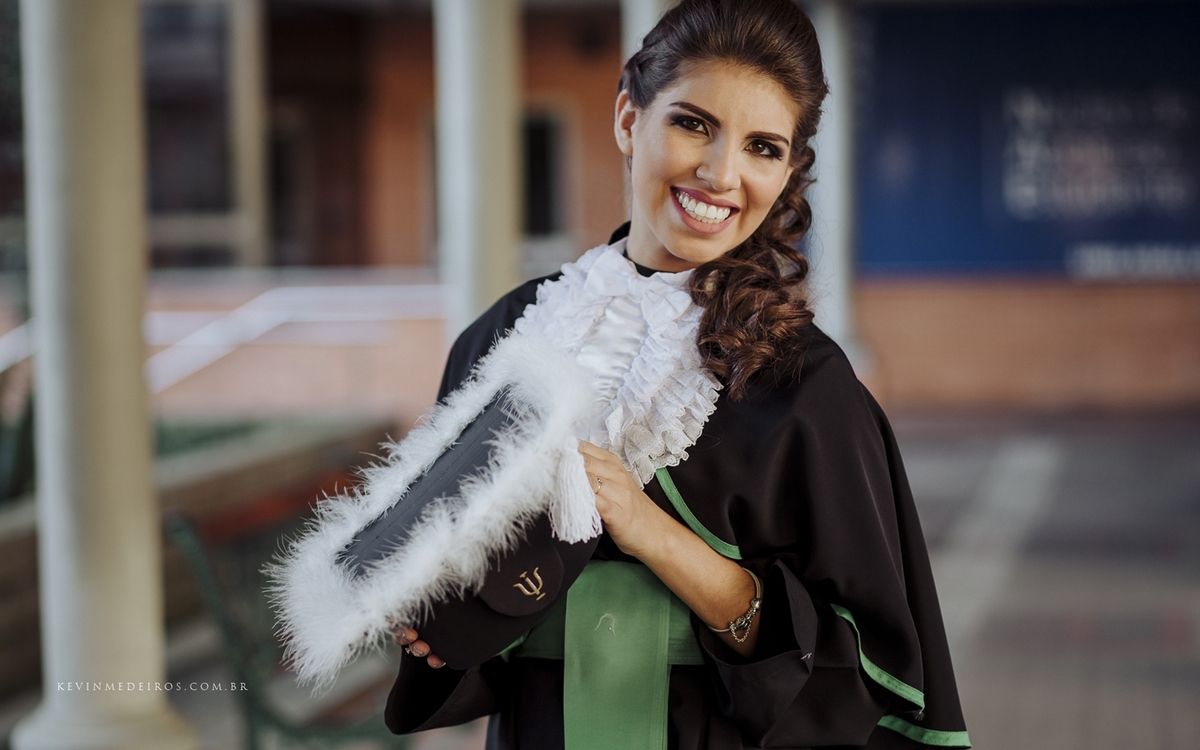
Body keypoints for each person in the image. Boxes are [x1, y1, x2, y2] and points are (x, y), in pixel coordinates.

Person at [386, 1, 969, 748]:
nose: (721, 174)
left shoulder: (808, 384)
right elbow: (464, 619)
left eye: (763, 147)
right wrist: (431, 611)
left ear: (788, 172)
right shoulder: (505, 337)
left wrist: (652, 533)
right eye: (693, 124)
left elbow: (866, 666)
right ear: (629, 120)